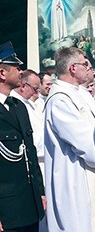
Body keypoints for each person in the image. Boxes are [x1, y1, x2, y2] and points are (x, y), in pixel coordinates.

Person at [44, 46, 95, 232]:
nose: (89, 68)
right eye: (85, 64)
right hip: (76, 179)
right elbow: (84, 140)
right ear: (72, 68)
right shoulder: (60, 100)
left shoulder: (80, 95)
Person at [0, 42, 45, 232]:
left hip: (29, 204)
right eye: (17, 68)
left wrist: (40, 191)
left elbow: (30, 153)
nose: (21, 72)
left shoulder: (18, 107)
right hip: (7, 210)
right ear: (2, 73)